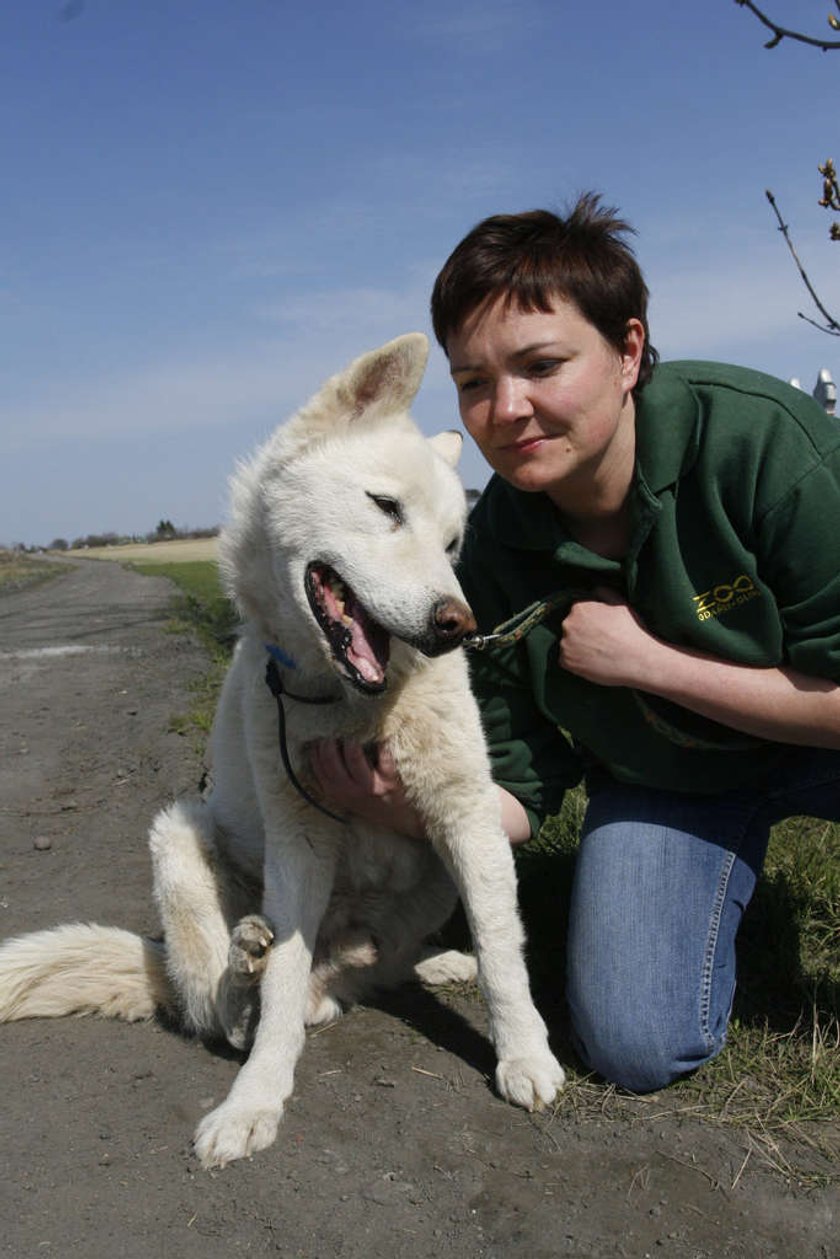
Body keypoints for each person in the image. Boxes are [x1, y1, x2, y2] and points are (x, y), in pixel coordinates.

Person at [310, 194, 840, 1093]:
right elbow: (519, 784)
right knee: (632, 1043)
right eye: (474, 381)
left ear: (628, 351)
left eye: (541, 365)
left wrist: (649, 663)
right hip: (674, 784)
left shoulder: (764, 448)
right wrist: (415, 805)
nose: (506, 408)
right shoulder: (495, 552)